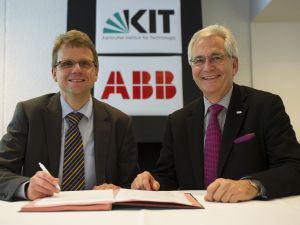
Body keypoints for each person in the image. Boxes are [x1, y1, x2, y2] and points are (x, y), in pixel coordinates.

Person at [131, 24, 300, 203]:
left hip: (249, 215)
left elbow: (294, 167)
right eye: (199, 60)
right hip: (197, 217)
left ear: (234, 65)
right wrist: (151, 182)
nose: (207, 67)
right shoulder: (177, 121)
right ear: (192, 69)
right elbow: (167, 177)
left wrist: (252, 185)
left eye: (216, 58)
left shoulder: (266, 107)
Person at [0, 30, 138, 201]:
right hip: (43, 215)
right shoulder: (29, 114)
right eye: (67, 63)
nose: (77, 69)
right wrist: (27, 187)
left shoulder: (120, 122)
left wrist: (118, 190)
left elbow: (131, 184)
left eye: (85, 63)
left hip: (100, 214)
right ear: (54, 73)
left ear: (95, 72)